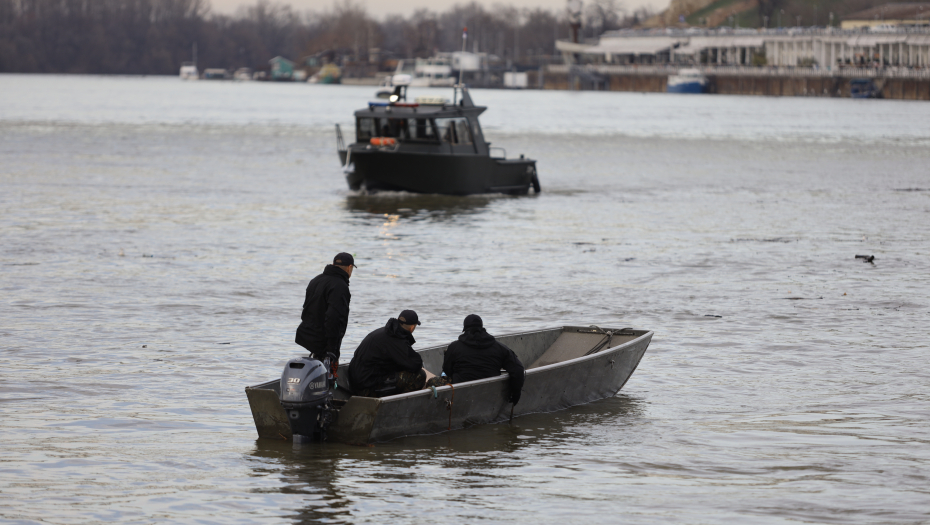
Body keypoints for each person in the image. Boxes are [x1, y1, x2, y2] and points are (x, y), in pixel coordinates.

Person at [295, 253, 356, 376]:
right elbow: (334, 318)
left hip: (308, 337)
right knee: (328, 377)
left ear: (333, 264)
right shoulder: (340, 286)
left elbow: (306, 310)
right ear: (349, 267)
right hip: (325, 343)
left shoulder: (316, 280)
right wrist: (332, 351)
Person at [442, 314, 525, 405]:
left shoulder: (454, 347)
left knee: (432, 381)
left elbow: (447, 370)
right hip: (491, 392)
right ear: (482, 327)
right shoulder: (499, 348)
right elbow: (518, 370)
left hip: (461, 392)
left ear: (464, 329)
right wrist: (516, 393)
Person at [348, 310, 427, 397]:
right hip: (367, 389)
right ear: (412, 328)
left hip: (356, 382)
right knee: (420, 375)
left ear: (397, 320)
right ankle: (398, 403)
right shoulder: (397, 340)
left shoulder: (385, 332)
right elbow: (416, 364)